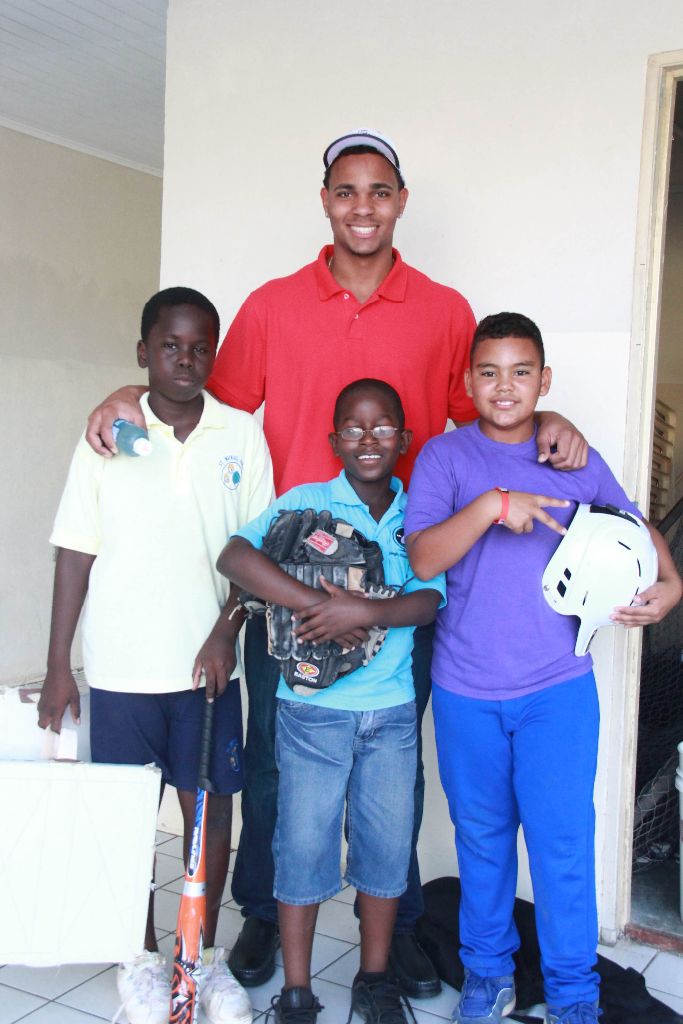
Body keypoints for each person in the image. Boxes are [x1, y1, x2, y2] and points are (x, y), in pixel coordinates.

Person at [83, 130, 588, 996]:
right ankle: (258, 920)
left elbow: (487, 419)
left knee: (396, 763)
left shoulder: (443, 309)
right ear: (325, 200)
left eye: (379, 191)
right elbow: (210, 407)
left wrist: (552, 423)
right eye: (346, 191)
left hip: (405, 575)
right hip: (287, 582)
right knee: (277, 761)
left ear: (400, 200)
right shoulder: (274, 304)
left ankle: (395, 944)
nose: (363, 206)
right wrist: (132, 391)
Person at [404, 312, 683, 1024]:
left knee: (561, 846)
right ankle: (488, 976)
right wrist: (494, 506)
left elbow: (629, 524)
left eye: (521, 372)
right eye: (489, 372)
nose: (505, 387)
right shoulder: (443, 458)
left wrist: (671, 579)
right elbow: (423, 558)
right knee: (483, 841)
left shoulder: (568, 455)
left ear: (543, 380)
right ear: (468, 382)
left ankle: (571, 995)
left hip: (557, 689)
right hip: (466, 691)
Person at [37, 287, 274, 1024]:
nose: (186, 359)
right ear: (144, 353)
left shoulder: (241, 436)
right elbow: (76, 551)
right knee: (126, 820)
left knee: (209, 814)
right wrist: (57, 665)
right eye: (170, 346)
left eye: (201, 346)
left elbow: (255, 554)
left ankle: (196, 959)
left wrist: (223, 633)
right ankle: (139, 959)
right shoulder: (107, 435)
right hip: (118, 668)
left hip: (205, 676)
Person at [217, 378, 445, 1024]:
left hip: (391, 716)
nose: (367, 440)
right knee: (302, 846)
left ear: (403, 440)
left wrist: (365, 611)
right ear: (332, 440)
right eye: (352, 428)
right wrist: (320, 606)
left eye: (381, 429)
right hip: (311, 715)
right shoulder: (305, 503)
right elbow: (233, 555)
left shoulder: (421, 512)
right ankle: (296, 990)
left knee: (382, 847)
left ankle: (373, 979)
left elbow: (429, 600)